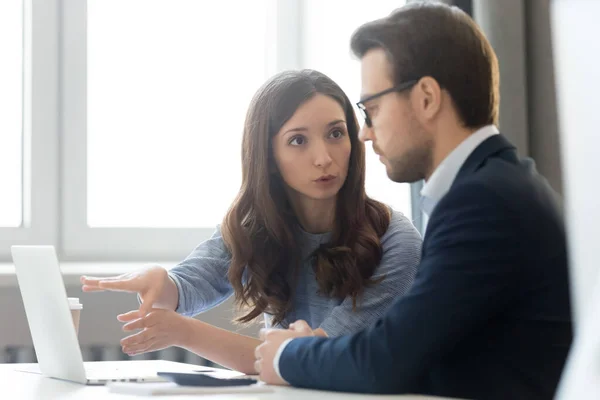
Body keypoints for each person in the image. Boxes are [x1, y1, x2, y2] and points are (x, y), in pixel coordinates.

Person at [254, 3, 572, 399]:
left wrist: (289, 354)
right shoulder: (493, 184)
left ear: (426, 98)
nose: (365, 134)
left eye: (372, 109)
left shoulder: (483, 201)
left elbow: (387, 359)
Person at [80, 70, 422, 374]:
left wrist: (183, 332)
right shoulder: (254, 227)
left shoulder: (395, 240)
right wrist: (160, 285)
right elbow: (189, 284)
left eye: (336, 133)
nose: (323, 159)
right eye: (298, 140)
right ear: (269, 157)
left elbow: (316, 357)